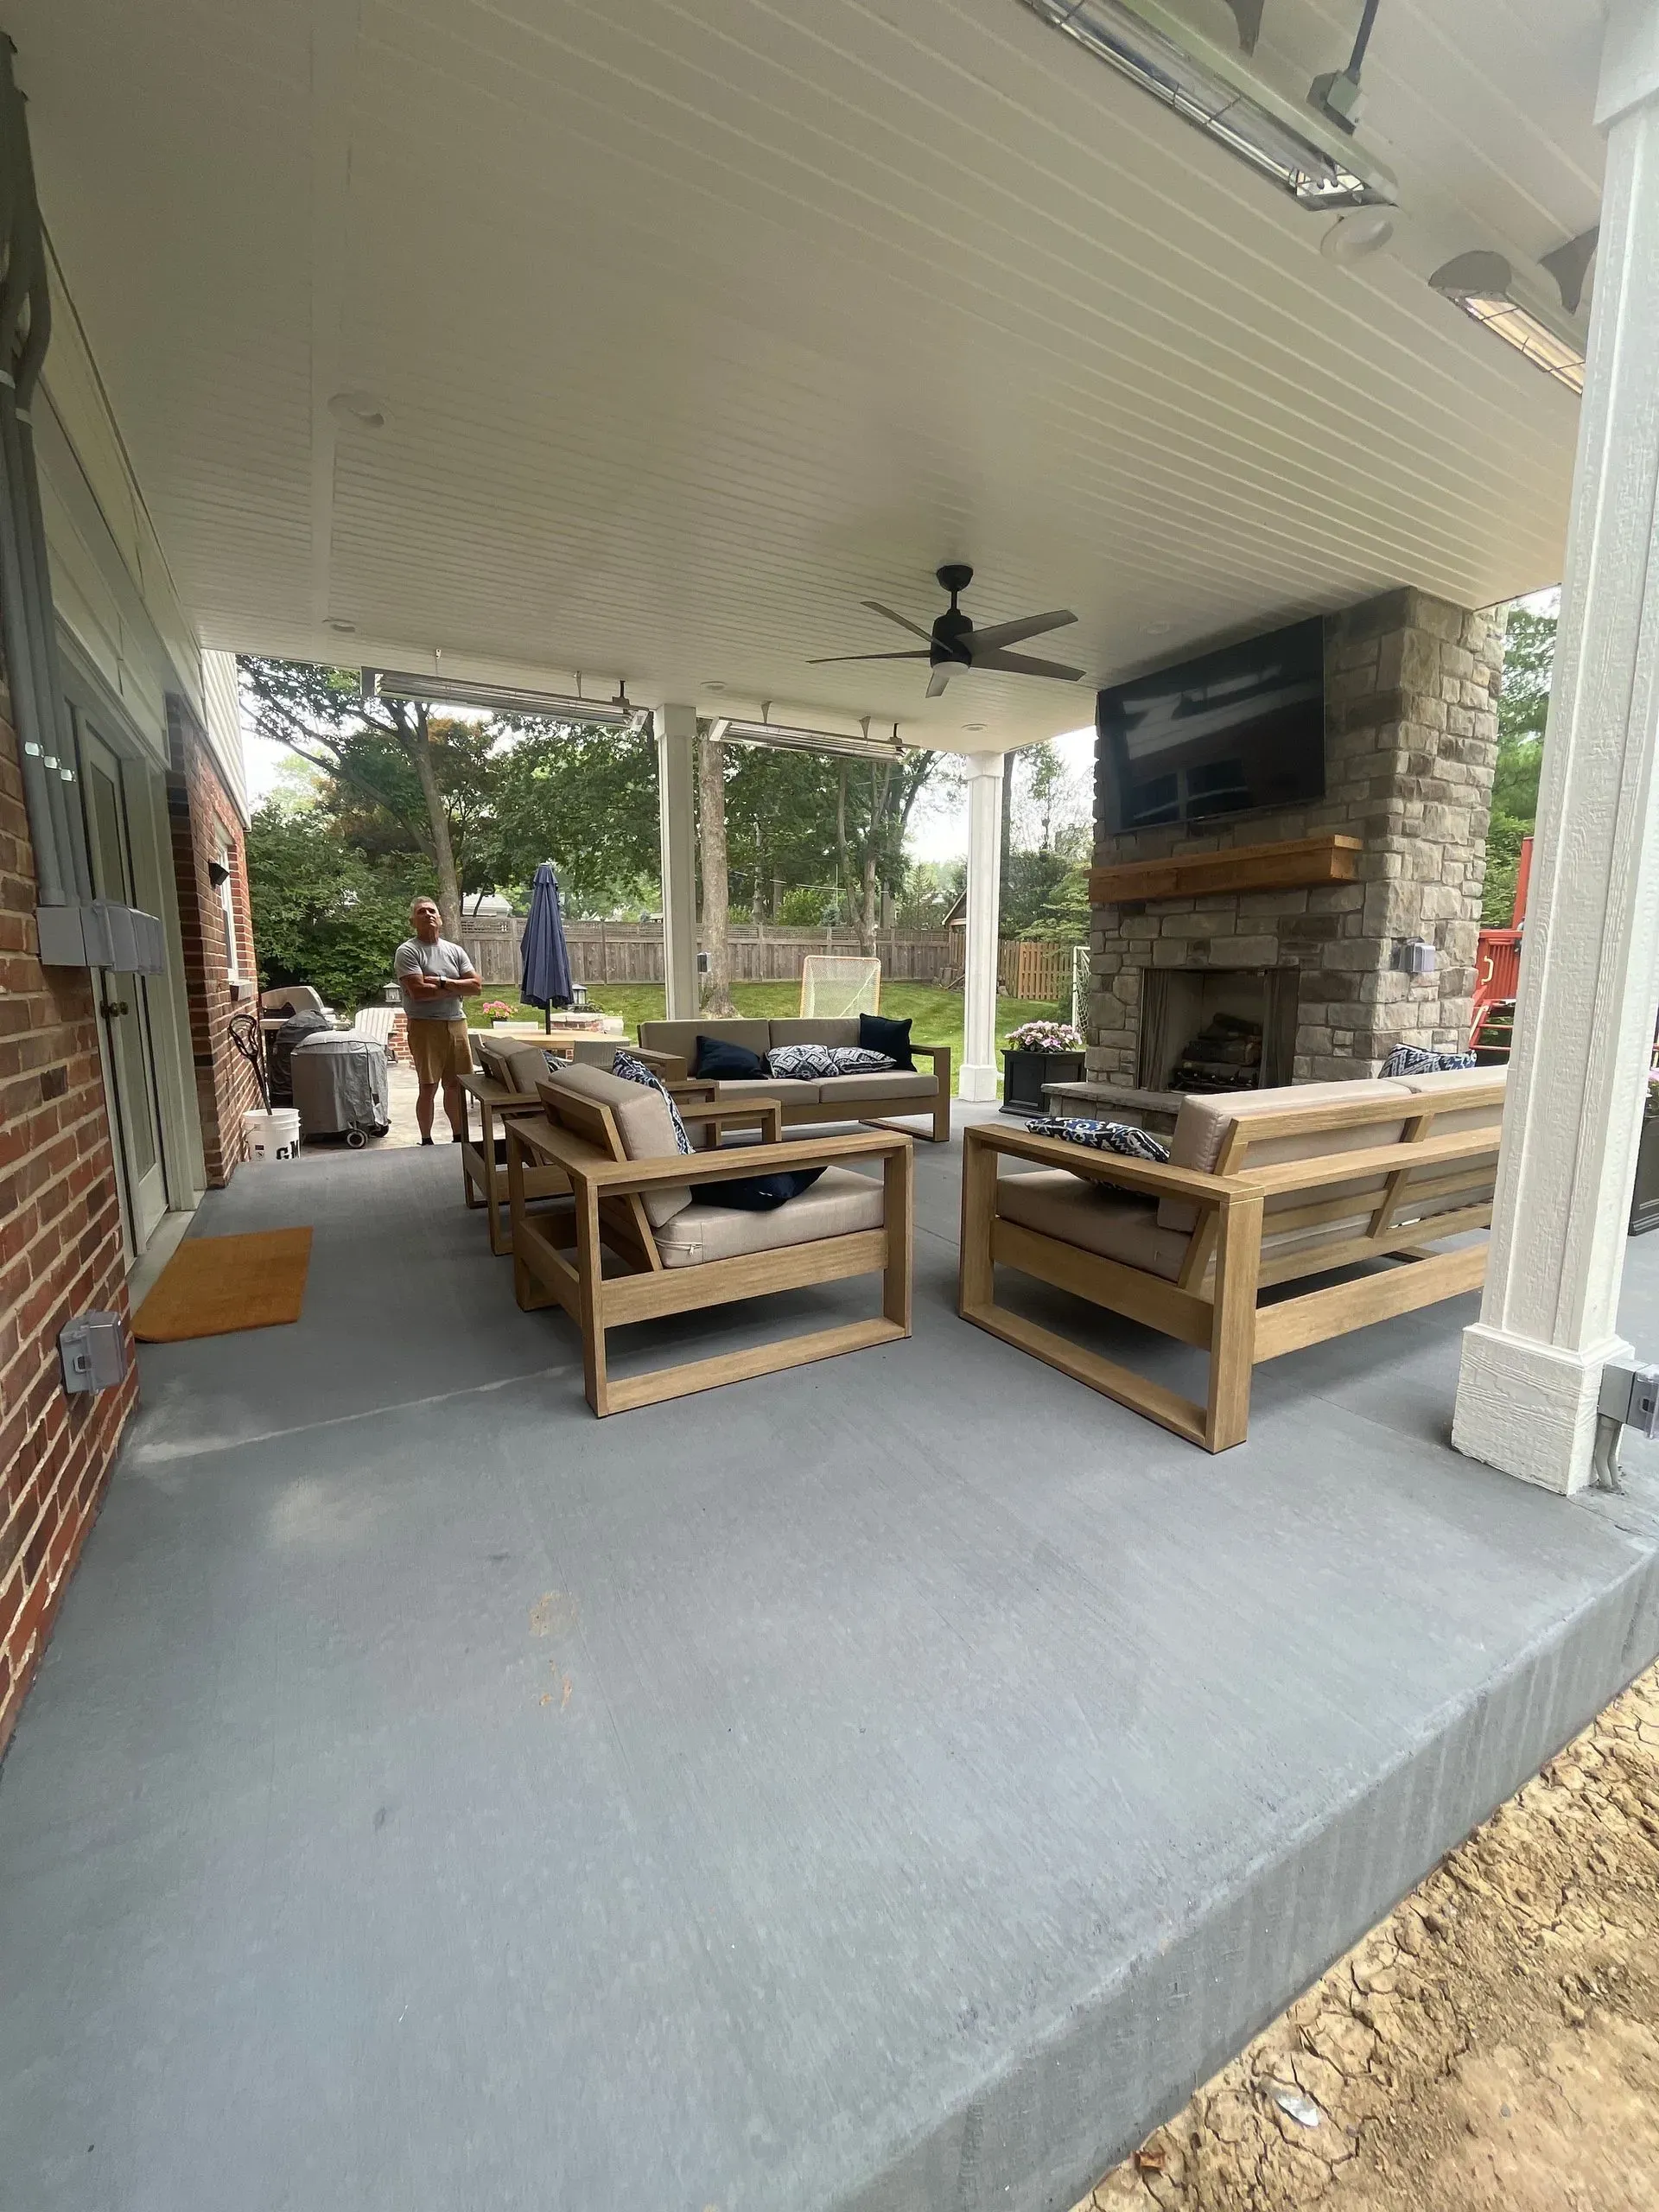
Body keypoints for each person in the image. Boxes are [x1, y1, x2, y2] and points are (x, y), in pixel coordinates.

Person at [393, 897, 481, 1144]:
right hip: (424, 1025)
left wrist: (442, 982)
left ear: (440, 919)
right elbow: (418, 992)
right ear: (413, 921)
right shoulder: (408, 951)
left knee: (455, 1086)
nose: (428, 915)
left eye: (432, 911)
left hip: (456, 1023)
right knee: (428, 1086)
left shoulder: (455, 950)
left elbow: (476, 986)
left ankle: (458, 1137)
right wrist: (457, 987)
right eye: (421, 912)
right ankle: (427, 1139)